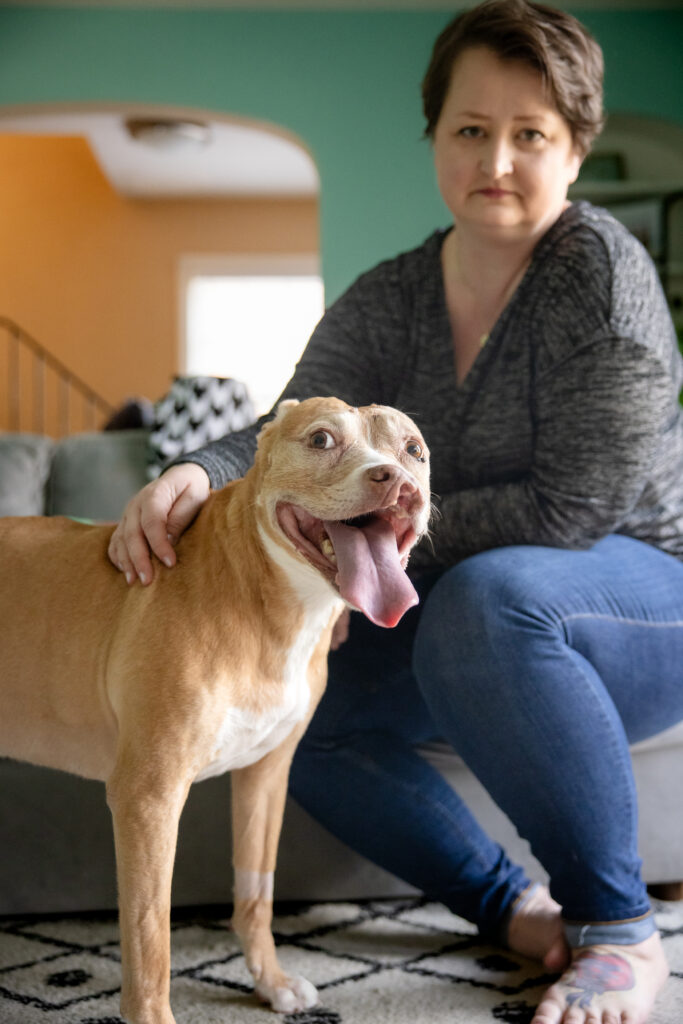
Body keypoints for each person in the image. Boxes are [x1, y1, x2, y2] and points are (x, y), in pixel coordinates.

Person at [108, 2, 683, 1021]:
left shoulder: (602, 283)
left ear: (575, 148)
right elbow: (284, 426)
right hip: (464, 600)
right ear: (433, 138)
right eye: (469, 130)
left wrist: (367, 531)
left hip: (638, 595)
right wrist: (196, 472)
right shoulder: (391, 294)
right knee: (298, 702)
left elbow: (569, 509)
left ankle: (619, 931)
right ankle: (511, 911)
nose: (494, 159)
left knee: (486, 598)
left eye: (528, 134)